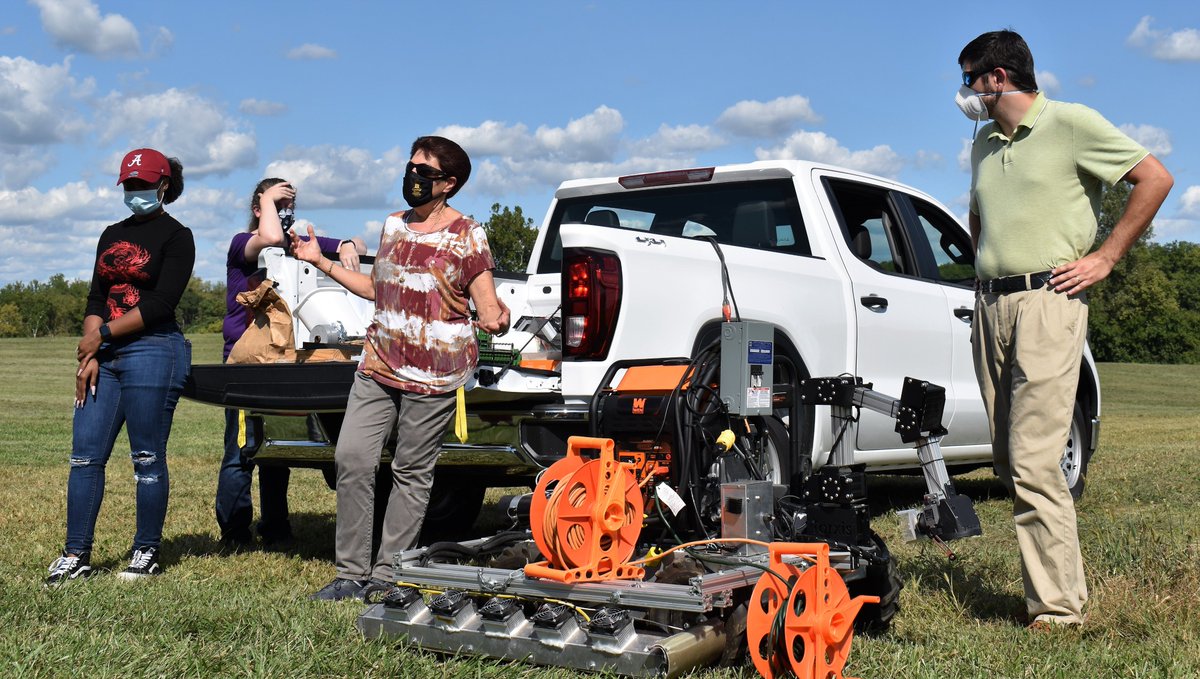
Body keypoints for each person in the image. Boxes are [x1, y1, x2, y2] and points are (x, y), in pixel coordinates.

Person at [956, 30, 1173, 627]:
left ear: (998, 77)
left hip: (1049, 300)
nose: (966, 92)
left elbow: (1155, 178)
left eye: (970, 78)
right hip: (991, 308)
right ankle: (1055, 588)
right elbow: (979, 216)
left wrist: (1104, 258)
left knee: (1032, 458)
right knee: (1006, 457)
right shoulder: (983, 144)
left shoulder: (1072, 122)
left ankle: (1057, 608)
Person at [291, 136, 509, 601]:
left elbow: (487, 305)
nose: (413, 178)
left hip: (435, 374)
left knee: (412, 472)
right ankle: (350, 573)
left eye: (424, 173)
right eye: (411, 168)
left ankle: (389, 575)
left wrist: (494, 316)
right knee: (351, 458)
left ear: (448, 184)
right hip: (378, 363)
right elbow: (377, 289)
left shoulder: (468, 234)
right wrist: (320, 261)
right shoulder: (394, 225)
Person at [46, 148, 195, 584]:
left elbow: (161, 302)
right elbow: (96, 298)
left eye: (142, 184)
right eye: (128, 185)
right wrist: (91, 351)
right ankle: (76, 554)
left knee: (147, 456)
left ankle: (145, 550)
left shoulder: (176, 236)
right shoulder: (111, 233)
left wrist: (102, 336)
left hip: (153, 348)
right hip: (105, 356)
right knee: (84, 457)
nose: (134, 191)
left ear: (163, 185)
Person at [216, 178, 365, 548]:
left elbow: (359, 245)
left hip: (284, 360)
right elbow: (267, 238)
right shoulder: (243, 243)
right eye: (276, 206)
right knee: (241, 450)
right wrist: (268, 197)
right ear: (258, 209)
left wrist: (347, 245)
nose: (285, 217)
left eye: (288, 209)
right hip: (245, 362)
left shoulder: (295, 242)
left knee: (276, 451)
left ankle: (275, 527)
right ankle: (234, 533)